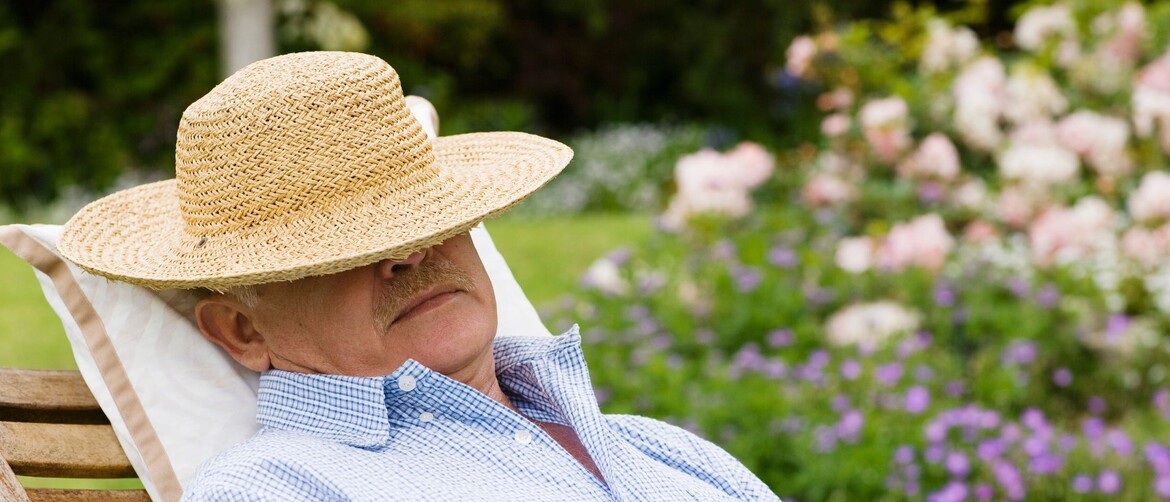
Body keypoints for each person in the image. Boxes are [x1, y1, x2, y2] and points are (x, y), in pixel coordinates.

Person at [58, 51, 779, 501]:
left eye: (427, 222)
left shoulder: (656, 447)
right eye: (340, 251)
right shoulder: (278, 489)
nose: (411, 256)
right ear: (242, 330)